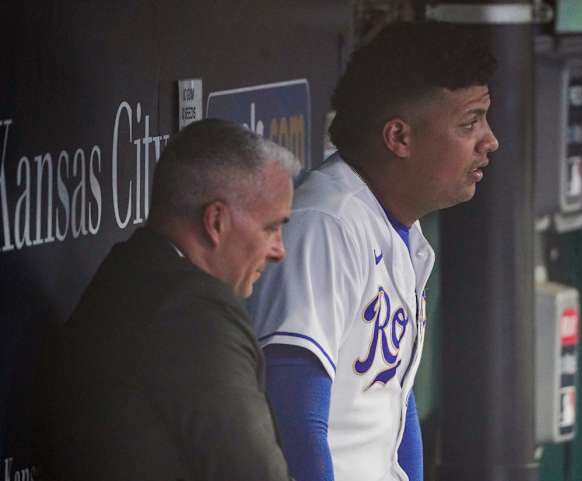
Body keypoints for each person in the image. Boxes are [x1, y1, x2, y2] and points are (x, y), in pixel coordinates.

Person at [248, 21, 499, 481]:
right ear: (399, 137)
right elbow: (295, 418)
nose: (489, 140)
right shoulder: (327, 224)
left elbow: (393, 403)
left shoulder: (396, 226)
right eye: (470, 122)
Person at [35, 119, 300, 481]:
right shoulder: (193, 318)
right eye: (271, 227)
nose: (279, 251)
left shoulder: (126, 272)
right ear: (216, 221)